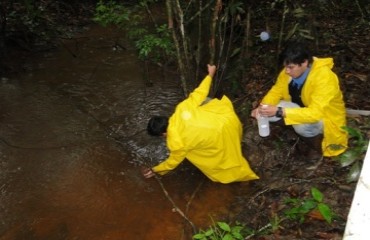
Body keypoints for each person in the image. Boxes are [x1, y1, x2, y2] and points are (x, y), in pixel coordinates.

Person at [142, 64, 259, 184]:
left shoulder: (176, 143)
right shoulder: (181, 108)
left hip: (222, 138)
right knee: (204, 101)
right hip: (229, 121)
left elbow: (172, 162)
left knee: (211, 160)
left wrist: (155, 169)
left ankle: (243, 176)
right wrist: (210, 74)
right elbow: (199, 92)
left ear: (163, 133)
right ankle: (238, 140)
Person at [251, 41, 348, 160]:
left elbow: (315, 114)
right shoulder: (288, 71)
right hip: (301, 109)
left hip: (325, 118)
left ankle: (316, 145)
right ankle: (293, 129)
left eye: (290, 67)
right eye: (285, 67)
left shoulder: (324, 78)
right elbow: (276, 91)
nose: (287, 71)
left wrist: (280, 111)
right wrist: (262, 107)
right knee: (267, 111)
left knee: (301, 126)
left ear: (304, 63)